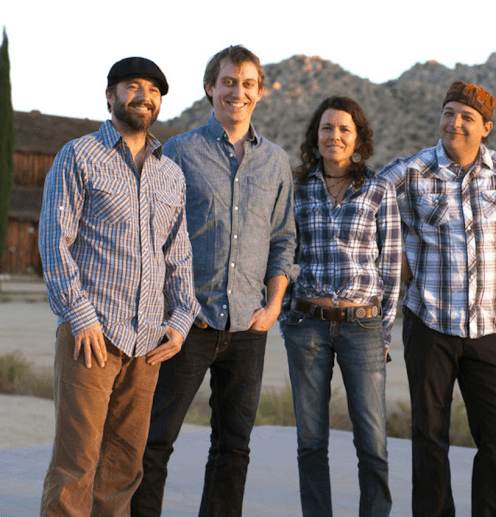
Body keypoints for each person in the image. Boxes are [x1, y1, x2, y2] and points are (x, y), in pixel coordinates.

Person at [131, 46, 297, 517]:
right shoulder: (180, 151)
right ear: (210, 88)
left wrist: (273, 305)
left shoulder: (275, 162)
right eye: (228, 82)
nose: (237, 92)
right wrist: (169, 311)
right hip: (187, 326)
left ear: (259, 93)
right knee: (155, 440)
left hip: (248, 328)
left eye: (247, 84)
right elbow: (154, 234)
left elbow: (284, 239)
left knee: (233, 446)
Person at [38, 57, 199, 516]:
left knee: (124, 466)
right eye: (132, 86)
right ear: (110, 95)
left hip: (147, 343)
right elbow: (54, 239)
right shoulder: (79, 155)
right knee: (77, 463)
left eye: (153, 90)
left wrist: (181, 319)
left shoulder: (171, 174)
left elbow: (179, 254)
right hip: (92, 337)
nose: (143, 96)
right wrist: (80, 316)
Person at [381, 81, 496, 517]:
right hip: (429, 324)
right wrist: (396, 256)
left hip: (492, 328)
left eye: (467, 117)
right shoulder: (411, 172)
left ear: (486, 127)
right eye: (448, 113)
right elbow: (366, 202)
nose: (455, 123)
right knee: (429, 435)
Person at [281, 96, 401, 517]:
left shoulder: (378, 188)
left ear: (358, 139)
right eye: (327, 128)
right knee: (311, 440)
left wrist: (384, 330)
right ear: (316, 136)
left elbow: (390, 266)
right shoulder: (296, 187)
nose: (335, 135)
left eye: (344, 129)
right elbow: (283, 251)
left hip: (362, 327)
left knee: (372, 440)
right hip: (307, 325)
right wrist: (287, 317)